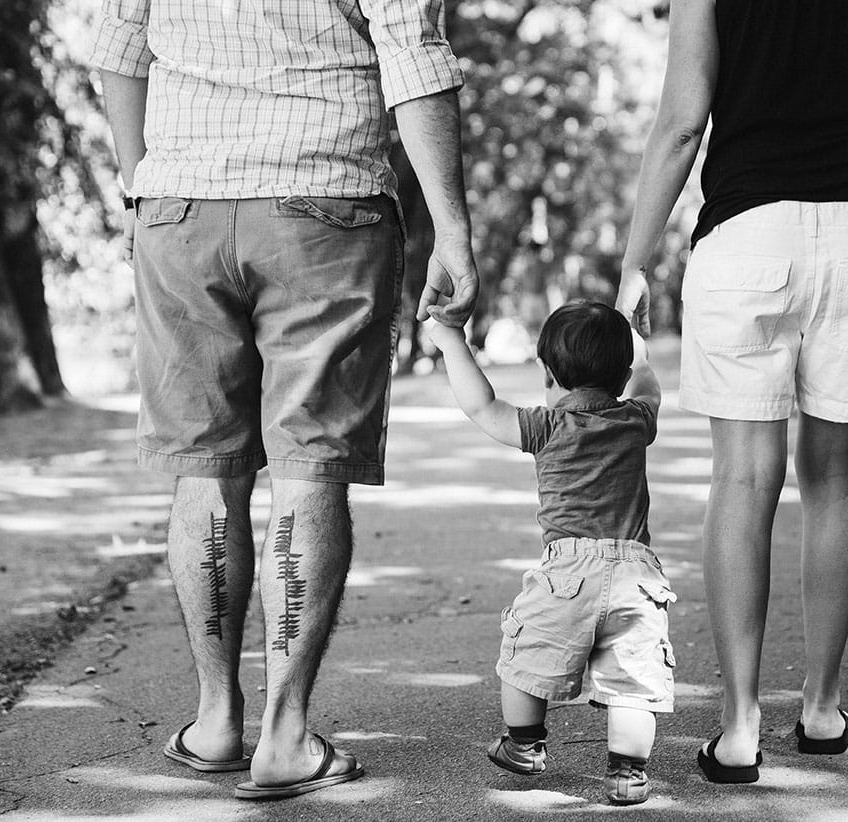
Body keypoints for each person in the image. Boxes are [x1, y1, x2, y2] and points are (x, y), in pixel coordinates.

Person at [91, 0, 478, 800]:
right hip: (324, 205)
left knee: (206, 471)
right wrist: (453, 228)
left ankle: (215, 720)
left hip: (180, 211)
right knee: (309, 472)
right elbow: (413, 57)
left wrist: (142, 182)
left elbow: (120, 51)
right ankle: (284, 737)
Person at [616, 0, 848, 783]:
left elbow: (679, 122)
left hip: (745, 238)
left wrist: (635, 260)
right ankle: (821, 706)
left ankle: (738, 729)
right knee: (835, 476)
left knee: (741, 477)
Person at [428, 302, 674, 806]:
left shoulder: (546, 426)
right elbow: (649, 384)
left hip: (567, 571)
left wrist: (452, 340)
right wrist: (640, 344)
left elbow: (482, 407)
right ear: (621, 376)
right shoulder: (634, 420)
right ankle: (627, 773)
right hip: (636, 573)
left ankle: (525, 745)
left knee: (524, 654)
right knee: (631, 678)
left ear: (546, 374)